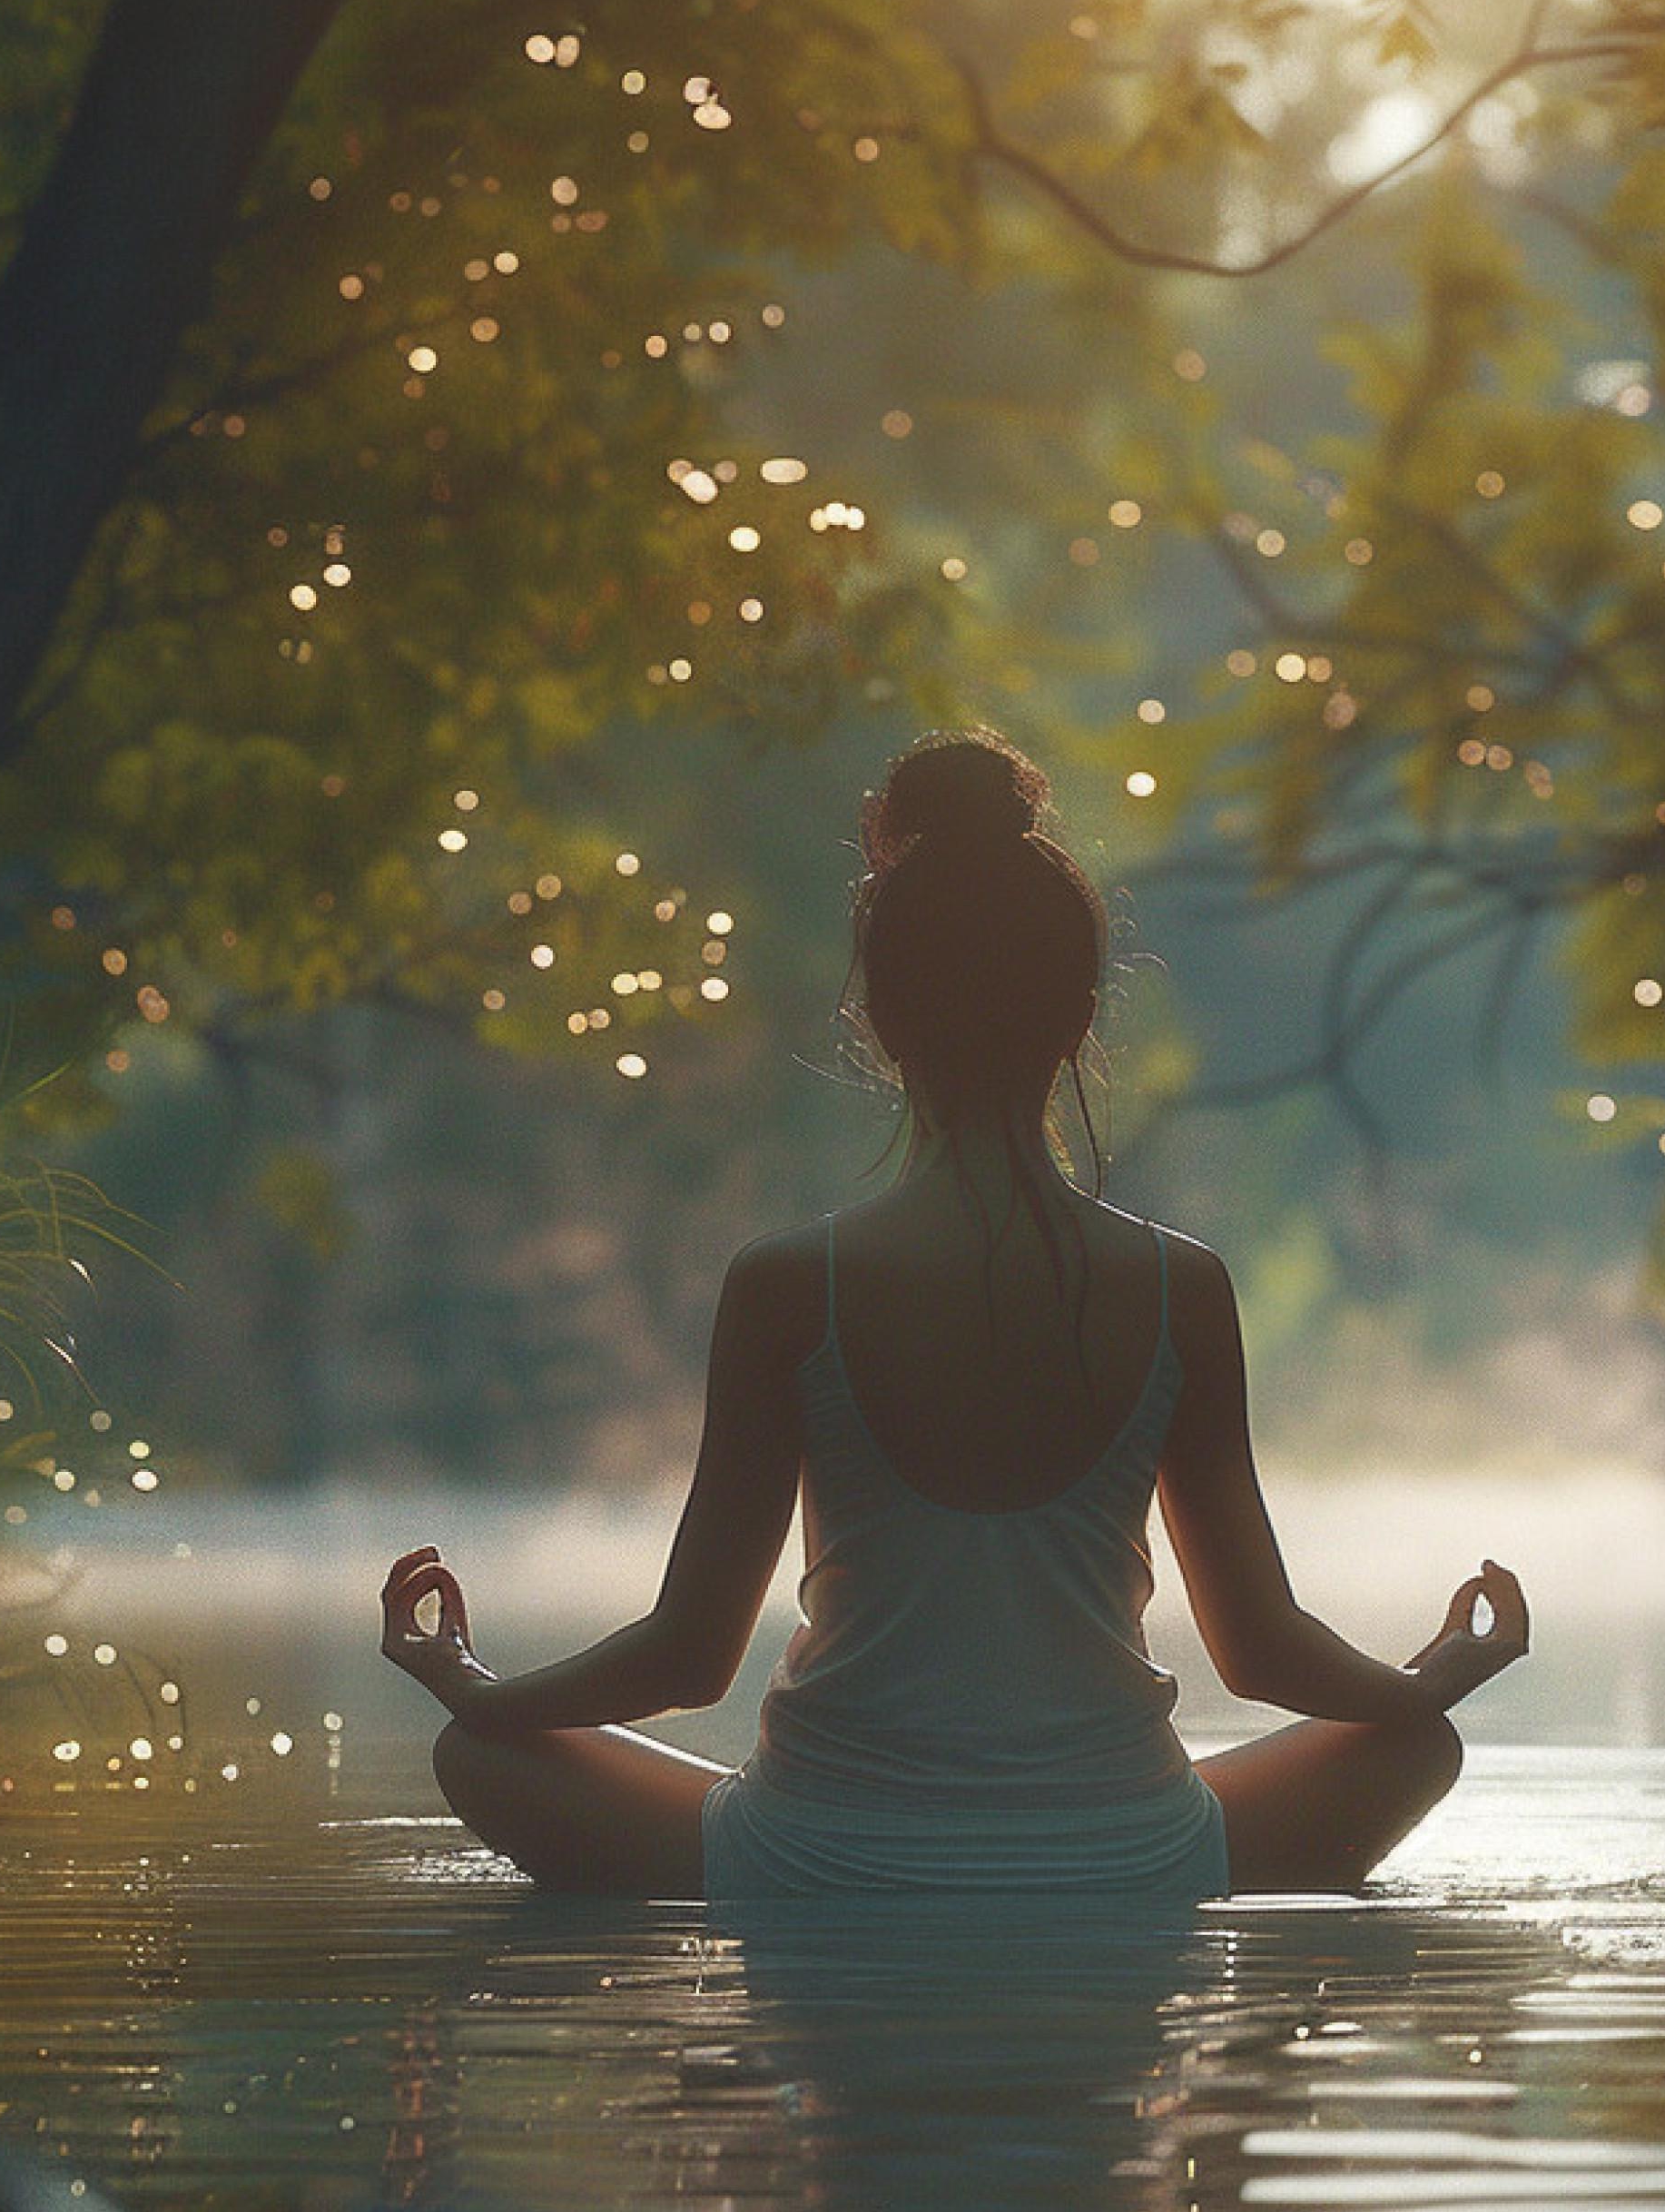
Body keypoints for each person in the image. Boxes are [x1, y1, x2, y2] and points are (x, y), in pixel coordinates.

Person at [380, 728, 1529, 1899]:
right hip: (1128, 1856)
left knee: (479, 1757)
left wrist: (471, 1685)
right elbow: (1262, 1650)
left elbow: (689, 1656)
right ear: (1081, 1014)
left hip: (817, 1857)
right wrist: (1437, 1672)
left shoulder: (787, 1285)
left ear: (879, 1015)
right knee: (1413, 1746)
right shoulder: (1182, 1286)